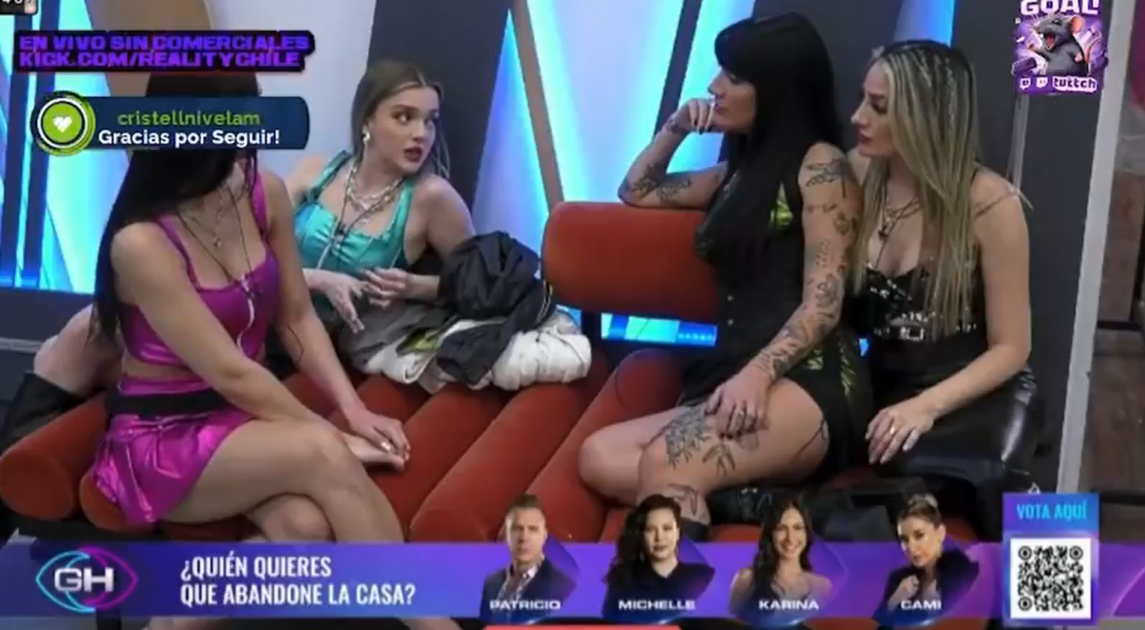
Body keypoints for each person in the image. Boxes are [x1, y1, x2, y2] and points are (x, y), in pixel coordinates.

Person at [86, 72, 456, 630]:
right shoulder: (139, 242)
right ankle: (431, 621)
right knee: (322, 453)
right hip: (165, 436)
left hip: (242, 418)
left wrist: (353, 409)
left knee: (306, 530)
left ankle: (172, 622)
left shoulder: (265, 192)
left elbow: (295, 315)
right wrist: (337, 439)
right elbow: (231, 372)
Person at [578, 13, 870, 542]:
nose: (714, 87)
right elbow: (635, 190)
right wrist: (676, 127)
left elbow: (824, 304)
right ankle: (765, 502)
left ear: (775, 90)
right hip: (736, 372)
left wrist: (757, 375)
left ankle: (671, 589)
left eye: (733, 77)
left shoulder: (821, 166)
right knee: (600, 457)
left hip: (810, 378)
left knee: (666, 462)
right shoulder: (734, 176)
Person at [847, 40, 1035, 468]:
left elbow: (1012, 347)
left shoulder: (991, 204)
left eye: (878, 106)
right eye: (863, 99)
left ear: (924, 117)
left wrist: (926, 407)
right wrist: (689, 128)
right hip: (886, 389)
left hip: (975, 397)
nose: (858, 116)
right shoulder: (857, 172)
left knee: (955, 480)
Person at [283, 59, 474, 352]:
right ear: (367, 121)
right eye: (403, 117)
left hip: (333, 345)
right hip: (267, 314)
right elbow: (248, 253)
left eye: (430, 121)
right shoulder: (316, 171)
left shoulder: (432, 198)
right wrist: (316, 279)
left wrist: (414, 287)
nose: (421, 134)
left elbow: (477, 284)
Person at [601, 494, 715, 623]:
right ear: (641, 535)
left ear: (678, 532)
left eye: (667, 528)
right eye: (650, 530)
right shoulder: (622, 580)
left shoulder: (703, 576)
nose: (659, 537)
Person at [875, 495, 978, 626]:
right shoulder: (898, 577)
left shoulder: (960, 572)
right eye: (904, 539)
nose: (910, 547)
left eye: (919, 535)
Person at [729, 496, 831, 623]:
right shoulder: (746, 580)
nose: (790, 538)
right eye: (781, 528)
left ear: (806, 533)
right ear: (770, 534)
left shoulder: (823, 586)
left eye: (798, 528)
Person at [479, 494, 576, 624]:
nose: (524, 537)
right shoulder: (491, 583)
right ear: (506, 534)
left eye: (533, 529)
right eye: (517, 529)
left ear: (544, 536)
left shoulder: (562, 588)